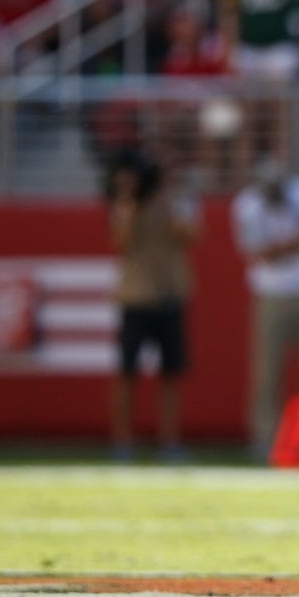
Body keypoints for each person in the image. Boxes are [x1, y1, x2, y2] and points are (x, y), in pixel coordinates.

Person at [231, 158, 299, 463]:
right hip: (270, 294)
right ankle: (265, 437)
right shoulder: (246, 205)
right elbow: (259, 253)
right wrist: (297, 243)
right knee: (267, 371)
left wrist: (282, 247)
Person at [106, 148, 200, 462]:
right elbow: (121, 241)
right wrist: (132, 201)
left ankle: (169, 441)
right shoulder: (124, 204)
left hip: (169, 295)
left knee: (170, 373)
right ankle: (123, 440)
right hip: (135, 297)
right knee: (127, 372)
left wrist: (169, 204)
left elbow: (191, 236)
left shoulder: (173, 202)